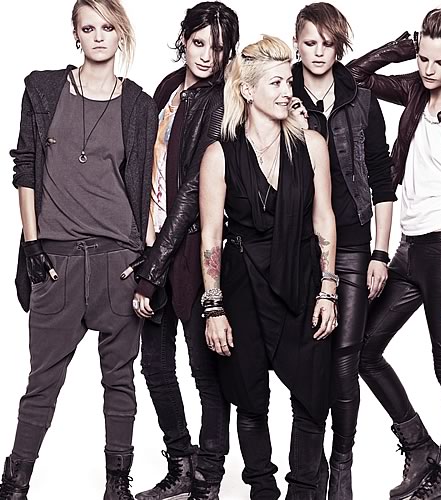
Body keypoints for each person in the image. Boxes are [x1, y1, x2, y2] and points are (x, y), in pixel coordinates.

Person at [0, 1, 157, 498]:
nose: (98, 36)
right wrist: (32, 244)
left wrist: (143, 257)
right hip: (56, 263)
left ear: (121, 34)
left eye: (108, 27)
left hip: (117, 263)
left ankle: (118, 485)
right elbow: (26, 167)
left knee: (120, 381)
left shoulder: (139, 104)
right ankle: (14, 483)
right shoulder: (43, 90)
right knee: (42, 382)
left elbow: (148, 184)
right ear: (76, 35)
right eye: (89, 28)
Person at [348, 5, 441, 500]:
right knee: (363, 350)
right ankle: (418, 446)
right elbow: (353, 78)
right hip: (408, 249)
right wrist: (398, 49)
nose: (429, 70)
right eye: (424, 59)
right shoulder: (414, 88)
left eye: (440, 61)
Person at [199, 35, 338, 499]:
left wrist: (328, 289)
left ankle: (303, 491)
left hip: (302, 278)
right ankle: (262, 489)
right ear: (247, 90)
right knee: (250, 398)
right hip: (243, 283)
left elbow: (323, 219)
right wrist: (214, 307)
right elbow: (210, 236)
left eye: (288, 81)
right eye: (275, 82)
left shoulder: (312, 144)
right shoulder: (219, 154)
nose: (286, 91)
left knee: (312, 397)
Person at [129, 3, 239, 499]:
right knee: (155, 365)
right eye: (198, 43)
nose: (207, 56)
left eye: (218, 48)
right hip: (154, 242)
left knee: (206, 371)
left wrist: (154, 267)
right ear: (184, 40)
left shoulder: (221, 102)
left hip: (192, 250)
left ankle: (208, 479)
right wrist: (143, 248)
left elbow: (194, 191)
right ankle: (180, 465)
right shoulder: (168, 89)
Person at [289, 3, 395, 498]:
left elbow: (382, 179)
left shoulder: (362, 101)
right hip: (297, 245)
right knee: (307, 357)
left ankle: (343, 463)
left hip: (352, 242)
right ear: (297, 43)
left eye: (327, 44)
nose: (317, 52)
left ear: (339, 47)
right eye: (309, 42)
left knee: (346, 357)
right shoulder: (279, 93)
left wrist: (381, 252)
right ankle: (307, 471)